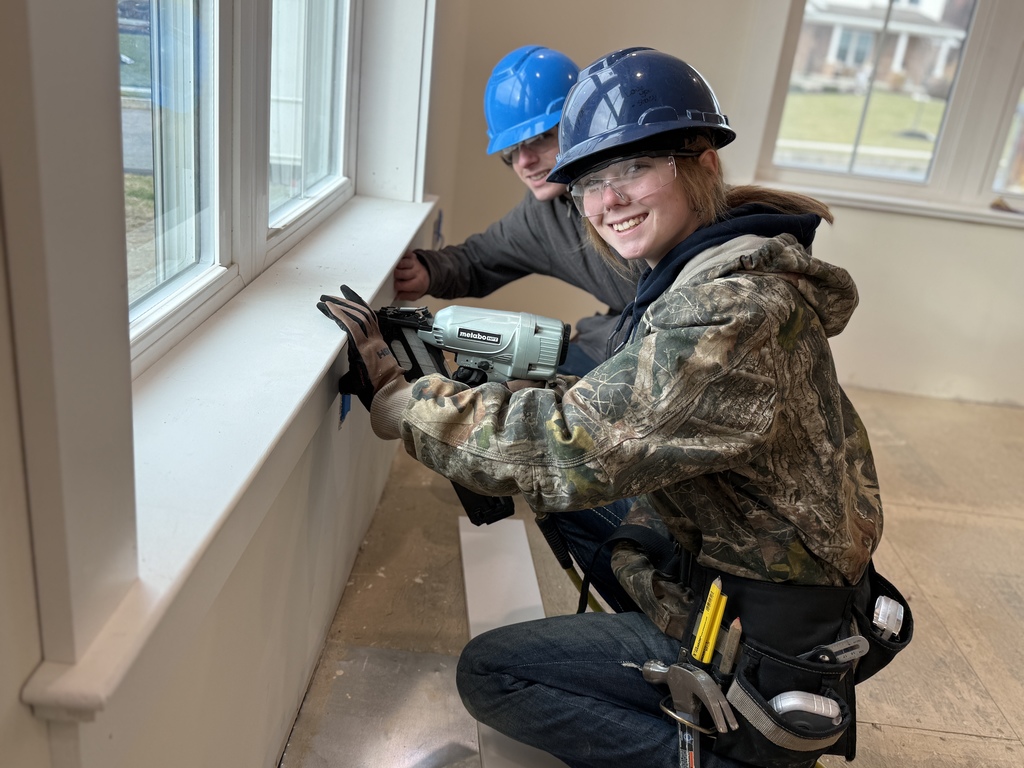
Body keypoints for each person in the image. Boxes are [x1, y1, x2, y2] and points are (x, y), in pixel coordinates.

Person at [320, 47, 911, 768]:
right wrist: (478, 395)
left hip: (761, 625)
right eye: (591, 181)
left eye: (633, 168)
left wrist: (401, 401)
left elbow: (572, 448)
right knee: (571, 503)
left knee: (492, 672)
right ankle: (654, 658)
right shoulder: (714, 262)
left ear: (702, 163)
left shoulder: (729, 311)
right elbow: (600, 420)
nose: (609, 201)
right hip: (746, 558)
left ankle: (726, 752)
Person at [393, 44, 637, 377]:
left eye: (540, 138)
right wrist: (428, 271)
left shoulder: (638, 190)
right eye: (512, 149)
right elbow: (478, 258)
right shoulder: (543, 216)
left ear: (579, 123)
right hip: (616, 335)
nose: (524, 161)